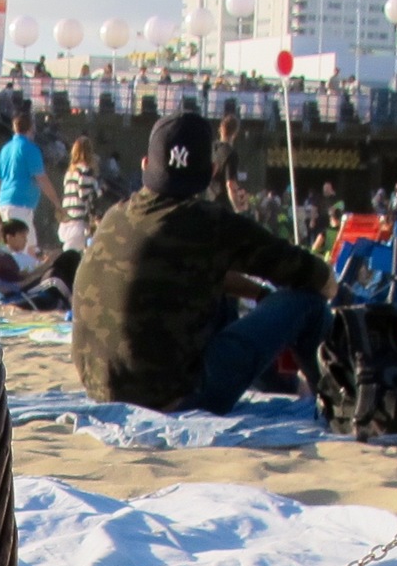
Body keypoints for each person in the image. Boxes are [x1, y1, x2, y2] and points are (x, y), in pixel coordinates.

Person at [71, 110, 334, 416]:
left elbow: (190, 270)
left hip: (102, 389)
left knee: (221, 305)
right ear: (211, 172)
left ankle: (285, 387)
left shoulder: (114, 217)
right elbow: (317, 278)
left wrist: (259, 295)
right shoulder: (212, 225)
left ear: (145, 164)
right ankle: (332, 395)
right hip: (177, 396)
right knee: (307, 304)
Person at [0, 103, 57, 251]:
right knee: (24, 250)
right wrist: (57, 203)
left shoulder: (5, 150)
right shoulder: (30, 149)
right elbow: (42, 180)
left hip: (5, 203)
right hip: (20, 205)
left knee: (30, 248)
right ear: (31, 128)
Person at [58, 137, 102, 252]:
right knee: (74, 253)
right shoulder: (86, 171)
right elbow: (85, 195)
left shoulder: (69, 173)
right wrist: (100, 190)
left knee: (68, 251)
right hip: (78, 221)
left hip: (66, 218)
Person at [209, 109, 248, 212]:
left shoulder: (211, 148)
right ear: (235, 133)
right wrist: (237, 208)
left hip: (209, 203)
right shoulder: (231, 154)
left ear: (220, 129)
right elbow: (230, 184)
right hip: (223, 207)